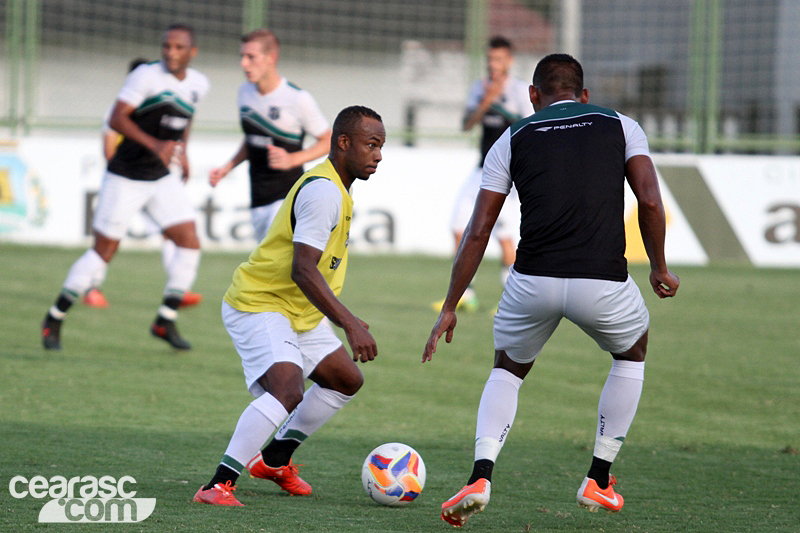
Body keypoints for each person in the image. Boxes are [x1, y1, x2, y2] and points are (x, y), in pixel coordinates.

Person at [423, 54, 680, 527]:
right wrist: (659, 266)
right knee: (632, 351)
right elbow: (648, 199)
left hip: (531, 281)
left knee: (508, 369)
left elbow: (478, 230)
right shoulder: (622, 125)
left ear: (533, 96)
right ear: (584, 95)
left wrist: (452, 306)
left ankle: (480, 475)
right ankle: (598, 479)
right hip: (601, 281)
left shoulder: (513, 136)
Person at [193, 106, 385, 507]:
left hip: (296, 311)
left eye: (381, 146)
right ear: (343, 143)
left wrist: (342, 316)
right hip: (259, 302)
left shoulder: (337, 188)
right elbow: (302, 269)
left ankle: (275, 459)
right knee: (287, 390)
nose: (378, 155)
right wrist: (348, 322)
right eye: (371, 144)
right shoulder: (323, 191)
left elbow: (311, 271)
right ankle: (218, 484)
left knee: (345, 380)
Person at [41, 24, 209, 351]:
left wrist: (181, 151)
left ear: (192, 52)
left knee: (189, 240)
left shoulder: (199, 83)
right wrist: (156, 145)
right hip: (125, 176)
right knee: (103, 253)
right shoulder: (144, 76)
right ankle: (54, 317)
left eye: (178, 47)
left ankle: (164, 319)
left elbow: (186, 117)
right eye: (166, 46)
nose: (170, 53)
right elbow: (117, 119)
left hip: (159, 178)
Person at [83, 57, 203, 310]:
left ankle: (179, 288)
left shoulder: (159, 106)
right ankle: (92, 288)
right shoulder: (119, 111)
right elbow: (109, 146)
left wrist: (181, 158)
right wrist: (122, 175)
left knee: (173, 234)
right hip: (126, 181)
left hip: (154, 181)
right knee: (106, 243)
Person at [432, 36, 532, 313]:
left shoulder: (521, 91)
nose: (493, 64)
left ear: (509, 61)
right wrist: (487, 100)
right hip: (482, 169)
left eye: (499, 59)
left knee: (505, 236)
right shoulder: (479, 88)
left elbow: (530, 130)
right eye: (490, 59)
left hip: (509, 175)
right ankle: (467, 294)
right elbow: (466, 124)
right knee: (458, 227)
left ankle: (514, 301)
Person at [209, 29, 332, 243]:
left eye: (251, 57)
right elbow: (253, 139)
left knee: (274, 267)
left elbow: (328, 140)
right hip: (258, 197)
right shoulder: (244, 93)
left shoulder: (297, 98)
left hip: (287, 197)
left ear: (271, 58)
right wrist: (228, 167)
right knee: (268, 269)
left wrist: (293, 159)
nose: (244, 64)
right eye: (242, 57)